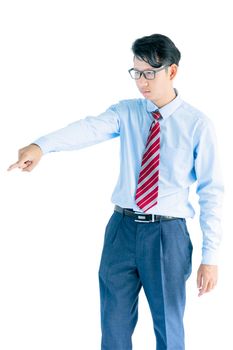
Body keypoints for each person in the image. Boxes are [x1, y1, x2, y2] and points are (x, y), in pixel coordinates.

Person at [8, 33, 224, 350]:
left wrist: (211, 257)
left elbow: (211, 193)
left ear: (172, 71)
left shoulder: (197, 125)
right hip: (121, 230)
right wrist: (42, 146)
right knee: (113, 324)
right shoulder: (127, 112)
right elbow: (87, 128)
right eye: (136, 72)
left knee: (169, 325)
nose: (141, 82)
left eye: (150, 73)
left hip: (167, 234)